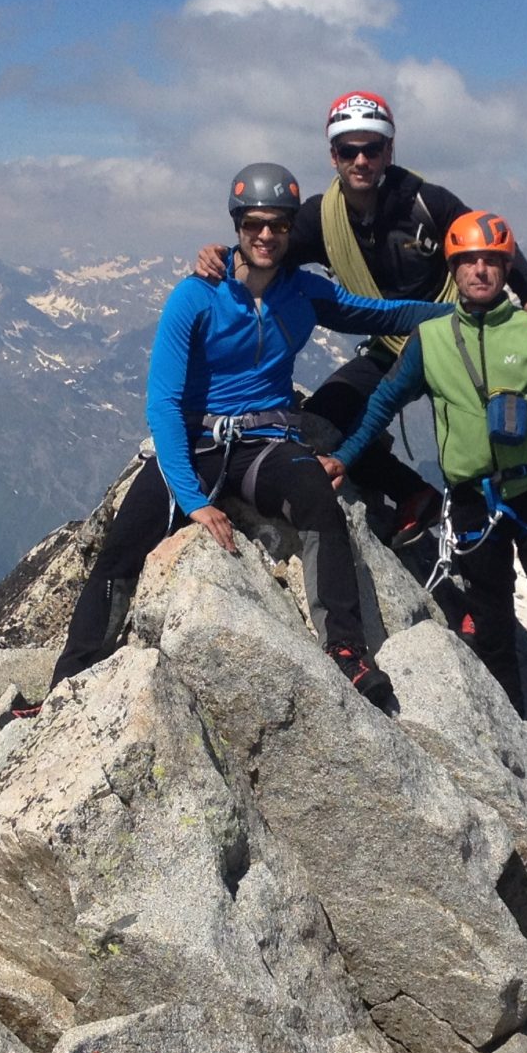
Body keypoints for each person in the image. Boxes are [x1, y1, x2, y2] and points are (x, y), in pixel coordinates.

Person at [44, 162, 452, 710]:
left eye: (279, 225)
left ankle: (348, 653)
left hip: (264, 443)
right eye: (255, 224)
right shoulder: (194, 296)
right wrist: (192, 501)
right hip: (197, 444)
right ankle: (69, 684)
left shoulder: (304, 292)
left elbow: (383, 314)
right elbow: (163, 404)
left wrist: (472, 310)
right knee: (122, 547)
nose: (266, 235)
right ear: (237, 226)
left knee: (320, 507)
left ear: (290, 229)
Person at [324, 210, 527, 805]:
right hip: (474, 504)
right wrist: (346, 456)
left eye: (492, 260)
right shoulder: (431, 340)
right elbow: (384, 400)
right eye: (469, 261)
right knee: (493, 625)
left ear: (506, 268)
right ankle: (518, 736)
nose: (481, 269)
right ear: (453, 270)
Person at [192, 91, 527, 552]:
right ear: (334, 156)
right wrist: (221, 259)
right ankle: (413, 493)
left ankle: (503, 532)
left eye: (372, 149)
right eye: (349, 150)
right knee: (321, 424)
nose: (361, 159)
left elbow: (488, 240)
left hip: (456, 339)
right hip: (393, 345)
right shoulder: (320, 219)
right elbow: (268, 250)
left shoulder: (425, 202)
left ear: (390, 151)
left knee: (485, 449)